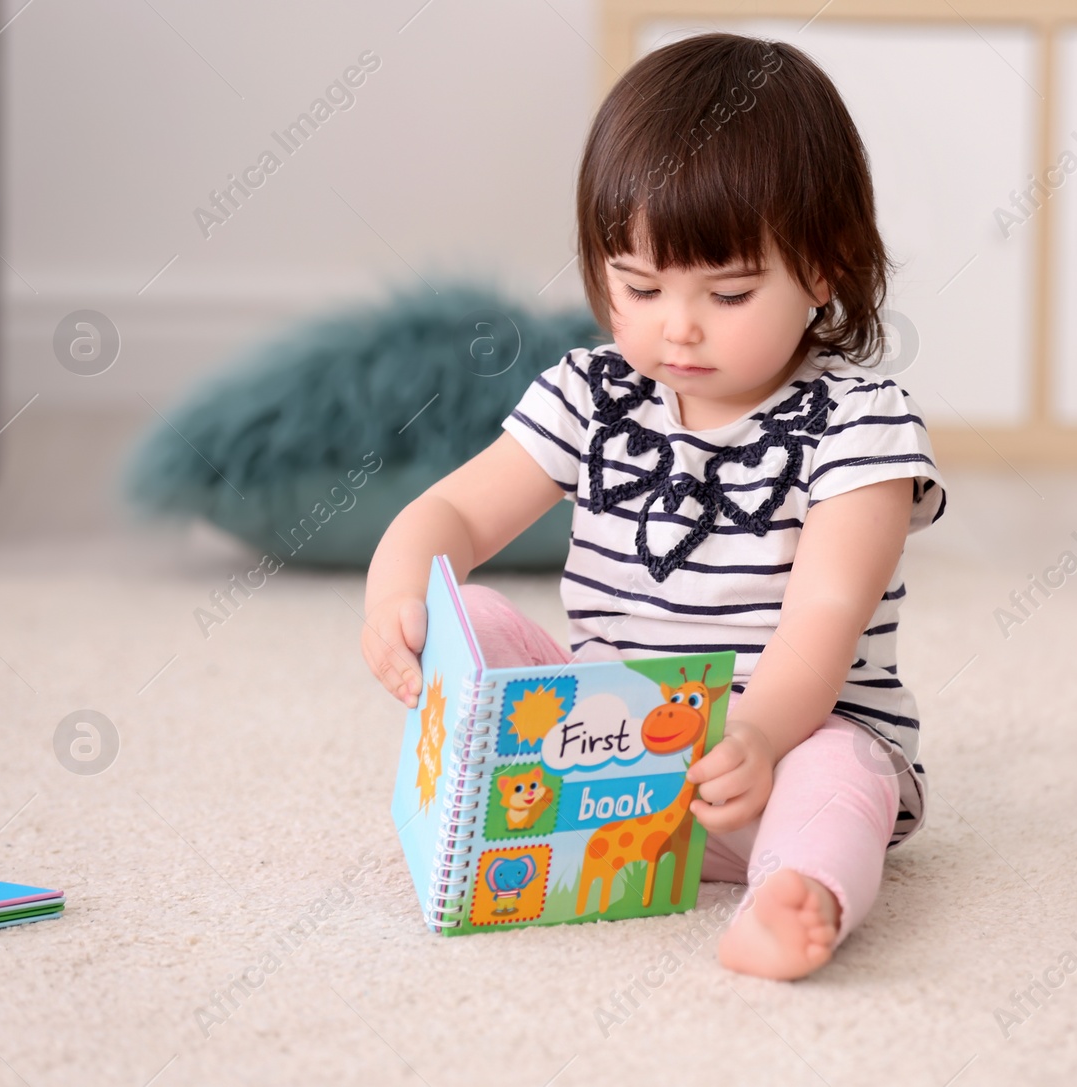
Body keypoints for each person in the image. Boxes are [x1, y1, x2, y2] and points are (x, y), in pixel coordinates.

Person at [363, 31, 946, 980]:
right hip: (604, 758)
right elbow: (457, 516)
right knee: (459, 611)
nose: (676, 325)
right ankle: (485, 831)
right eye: (638, 286)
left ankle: (796, 895)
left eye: (730, 291)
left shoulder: (858, 424)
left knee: (845, 774)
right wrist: (398, 590)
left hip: (778, 753)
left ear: (827, 267)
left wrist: (755, 733)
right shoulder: (596, 394)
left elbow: (827, 616)